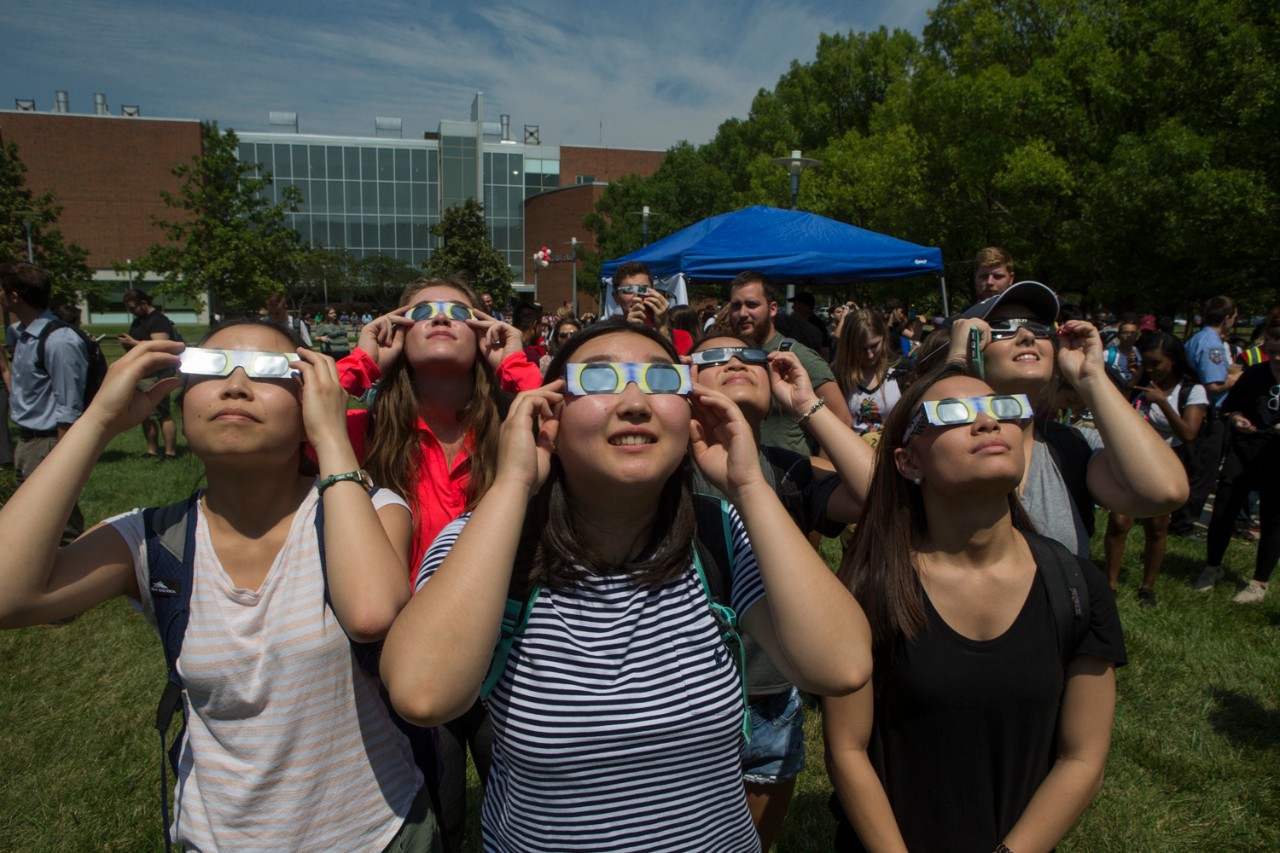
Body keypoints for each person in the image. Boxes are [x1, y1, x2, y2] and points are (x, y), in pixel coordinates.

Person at [381, 317, 872, 852]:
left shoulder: (719, 533)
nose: (635, 402)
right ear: (550, 415)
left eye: (662, 381)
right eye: (598, 380)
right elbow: (421, 694)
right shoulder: (486, 543)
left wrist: (749, 486)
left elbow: (841, 666)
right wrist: (513, 484)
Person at [0, 320, 438, 850]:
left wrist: (331, 436)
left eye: (270, 371)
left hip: (375, 832)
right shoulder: (154, 537)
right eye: (210, 367)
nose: (235, 385)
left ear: (309, 403)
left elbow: (371, 613)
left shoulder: (367, 510)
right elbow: (10, 594)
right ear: (182, 406)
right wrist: (95, 423)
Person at [824, 363, 1126, 853]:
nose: (987, 422)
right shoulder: (869, 585)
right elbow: (846, 750)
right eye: (952, 413)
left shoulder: (1076, 586)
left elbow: (1083, 758)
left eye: (1002, 408)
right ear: (908, 462)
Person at [336, 278, 541, 852]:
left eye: (460, 310)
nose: (442, 317)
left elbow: (570, 421)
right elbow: (301, 422)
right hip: (401, 652)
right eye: (422, 311)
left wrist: (517, 364)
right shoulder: (363, 433)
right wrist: (362, 361)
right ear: (398, 331)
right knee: (440, 815)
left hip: (507, 645)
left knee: (535, 807)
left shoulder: (516, 429)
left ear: (483, 334)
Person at [691, 333, 874, 851]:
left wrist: (808, 406)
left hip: (770, 693)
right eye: (711, 357)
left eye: (748, 355)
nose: (732, 361)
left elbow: (884, 498)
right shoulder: (664, 468)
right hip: (690, 697)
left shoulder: (786, 468)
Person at [948, 281, 1188, 558]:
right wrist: (957, 365)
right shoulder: (932, 446)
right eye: (1004, 327)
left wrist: (1091, 377)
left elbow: (1164, 492)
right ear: (972, 347)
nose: (1027, 336)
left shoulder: (1074, 446)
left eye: (1039, 328)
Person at [1104, 333, 1206, 607]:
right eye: (1145, 363)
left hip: (1165, 462)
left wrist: (1162, 402)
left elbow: (1188, 433)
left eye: (1155, 364)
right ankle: (1110, 584)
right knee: (1119, 522)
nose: (1150, 369)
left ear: (1173, 361)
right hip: (1131, 460)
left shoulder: (1191, 390)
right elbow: (1112, 408)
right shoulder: (1141, 383)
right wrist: (1136, 379)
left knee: (1157, 526)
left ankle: (1147, 587)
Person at [2, 262, 88, 544]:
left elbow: (69, 406)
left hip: (49, 443)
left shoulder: (59, 340)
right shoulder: (24, 335)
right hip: (28, 443)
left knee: (62, 527)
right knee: (35, 525)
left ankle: (80, 579)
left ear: (15, 296)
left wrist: (62, 458)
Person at [1195, 325, 1280, 601]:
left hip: (1276, 456)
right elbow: (1231, 407)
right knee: (1222, 511)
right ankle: (1212, 567)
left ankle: (1259, 583)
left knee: (1272, 519)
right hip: (1244, 450)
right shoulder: (1254, 375)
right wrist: (1237, 419)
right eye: (1272, 352)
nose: (1277, 358)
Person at [728, 270, 852, 455]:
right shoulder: (732, 358)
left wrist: (822, 473)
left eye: (752, 305)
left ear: (773, 309)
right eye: (736, 306)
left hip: (791, 478)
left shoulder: (797, 357)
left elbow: (842, 419)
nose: (742, 313)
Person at [1171, 296, 1241, 537]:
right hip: (1209, 415)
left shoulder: (1197, 338)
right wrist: (1234, 380)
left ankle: (1181, 519)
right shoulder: (1211, 342)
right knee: (1203, 472)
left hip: (1199, 411)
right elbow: (1213, 384)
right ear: (1227, 317)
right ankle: (1184, 524)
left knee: (1194, 467)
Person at [117, 289, 179, 460]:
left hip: (157, 374)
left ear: (144, 303)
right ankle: (151, 450)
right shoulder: (139, 321)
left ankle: (169, 452)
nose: (132, 312)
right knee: (145, 414)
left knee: (162, 413)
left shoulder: (158, 320)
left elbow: (161, 345)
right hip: (142, 374)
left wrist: (133, 342)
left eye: (133, 308)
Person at [833, 308, 907, 445]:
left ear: (884, 337)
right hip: (851, 456)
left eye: (874, 346)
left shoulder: (902, 372)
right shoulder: (837, 376)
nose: (869, 355)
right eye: (861, 348)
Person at [612, 260, 694, 355]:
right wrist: (630, 332)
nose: (637, 296)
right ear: (616, 298)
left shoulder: (681, 337)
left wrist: (662, 328)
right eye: (629, 290)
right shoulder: (609, 338)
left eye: (644, 289)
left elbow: (673, 368)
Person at [786, 292, 831, 360]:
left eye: (795, 305)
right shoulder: (796, 323)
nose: (792, 308)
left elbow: (824, 349)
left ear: (804, 307)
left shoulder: (816, 324)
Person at [1102, 313, 1143, 389]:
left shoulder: (1140, 354)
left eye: (1133, 333)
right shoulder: (1107, 355)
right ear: (1118, 336)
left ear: (1137, 336)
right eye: (1125, 332)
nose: (1129, 335)